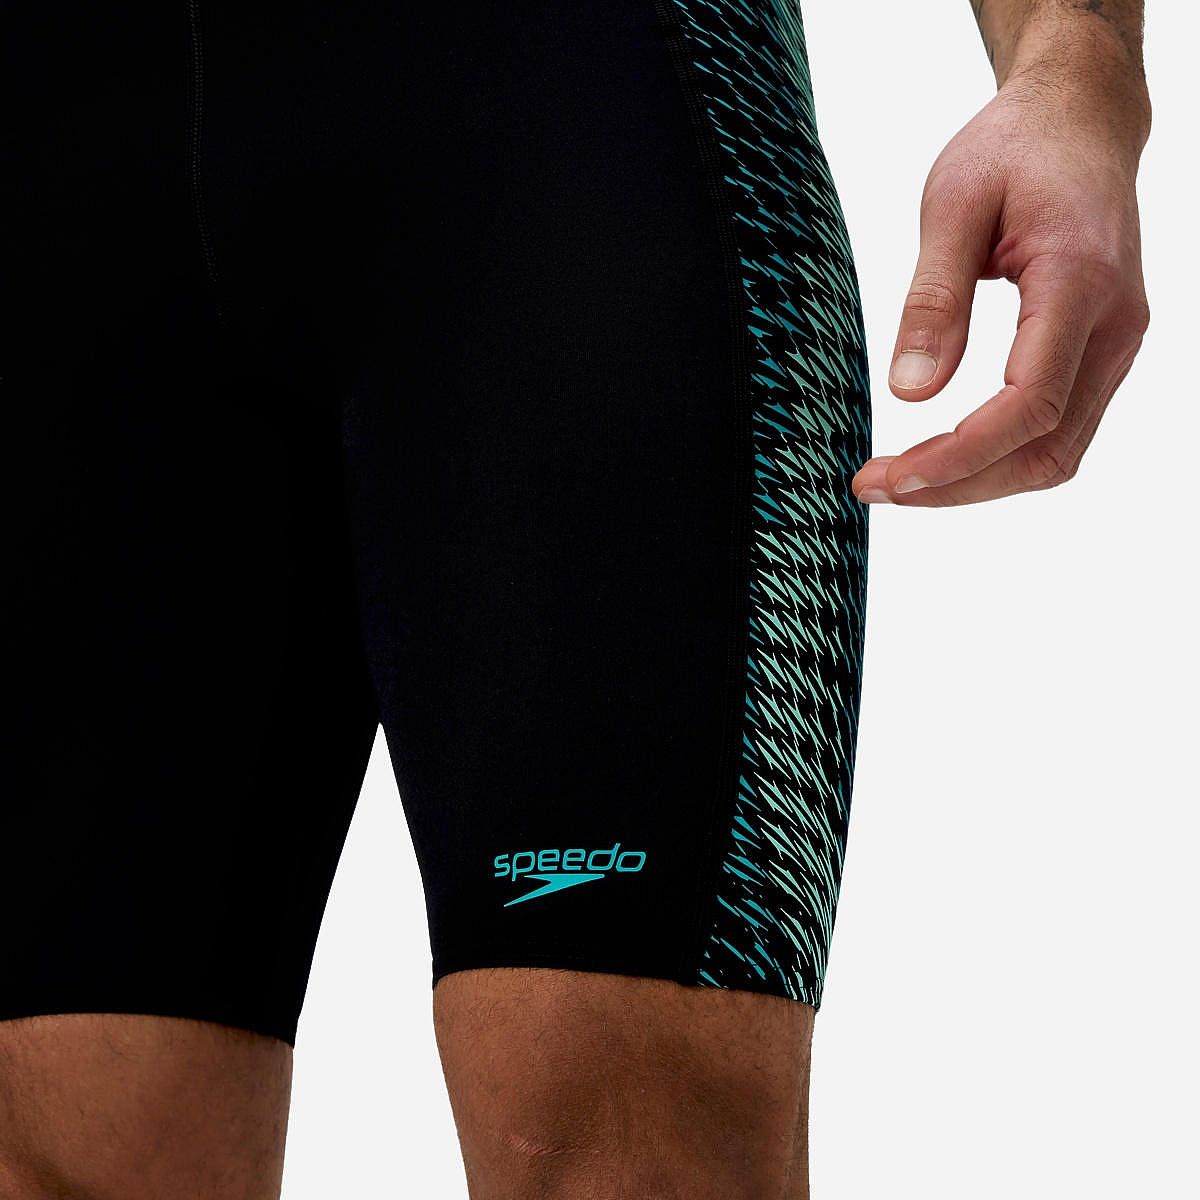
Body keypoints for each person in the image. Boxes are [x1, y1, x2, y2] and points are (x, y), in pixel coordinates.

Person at [0, 1, 1149, 1197]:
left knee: (628, 1125)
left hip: (573, 115)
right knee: (56, 1147)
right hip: (50, 183)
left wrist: (1075, 71)